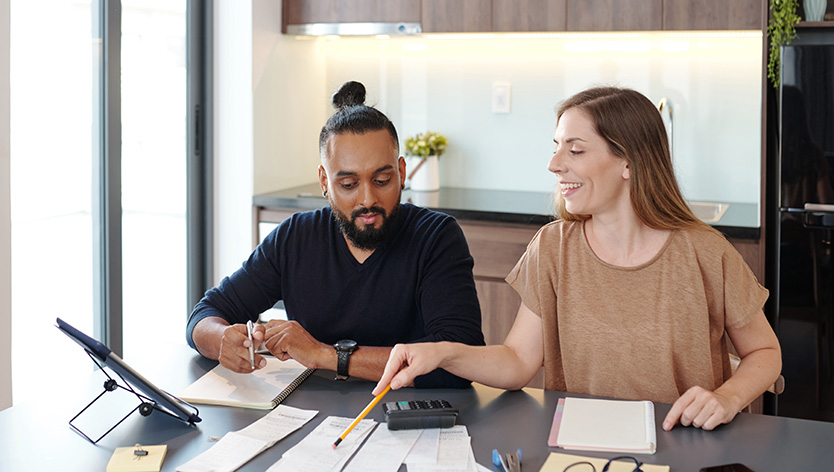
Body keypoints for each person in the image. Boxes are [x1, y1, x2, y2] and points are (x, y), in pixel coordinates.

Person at [374, 86, 782, 430]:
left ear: (628, 161)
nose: (554, 165)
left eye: (575, 150)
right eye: (556, 148)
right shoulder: (553, 248)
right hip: (581, 445)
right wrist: (443, 352)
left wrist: (727, 397)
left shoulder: (705, 252)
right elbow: (518, 361)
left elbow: (764, 353)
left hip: (685, 442)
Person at [187, 81, 484, 388]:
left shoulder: (436, 237)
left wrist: (326, 355)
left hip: (403, 409)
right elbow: (204, 315)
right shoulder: (295, 238)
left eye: (382, 180)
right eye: (348, 185)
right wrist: (223, 340)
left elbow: (461, 360)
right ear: (324, 182)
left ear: (402, 172)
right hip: (312, 409)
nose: (367, 199)